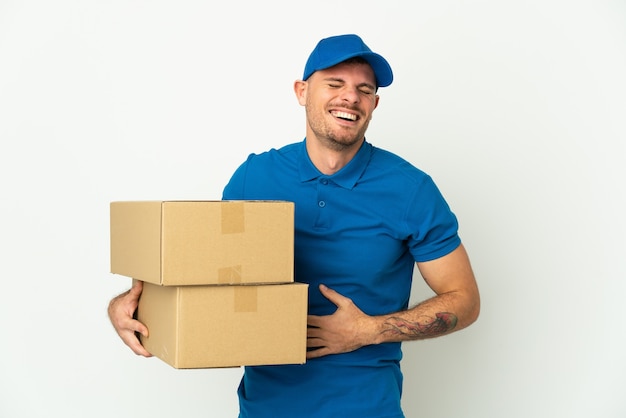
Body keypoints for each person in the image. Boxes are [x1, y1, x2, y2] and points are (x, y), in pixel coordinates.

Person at [108, 34, 480, 417]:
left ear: (374, 104)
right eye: (335, 84)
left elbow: (464, 300)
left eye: (363, 90)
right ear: (302, 91)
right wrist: (130, 306)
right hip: (265, 407)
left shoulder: (410, 190)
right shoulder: (254, 178)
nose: (350, 97)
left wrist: (366, 331)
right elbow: (210, 279)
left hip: (366, 407)